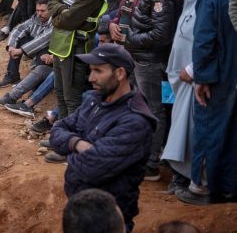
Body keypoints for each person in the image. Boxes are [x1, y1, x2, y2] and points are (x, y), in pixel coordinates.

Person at [50, 44, 157, 232]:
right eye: (91, 71)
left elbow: (92, 168)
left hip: (109, 219)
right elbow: (57, 130)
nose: (91, 78)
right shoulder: (94, 99)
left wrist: (70, 152)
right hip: (80, 209)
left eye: (98, 71)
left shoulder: (135, 121)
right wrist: (78, 144)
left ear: (120, 73)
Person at [178, 0, 237, 204]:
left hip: (220, 74)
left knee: (210, 128)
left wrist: (202, 77)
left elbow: (204, 40)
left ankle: (202, 186)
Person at [121, 0, 182, 181]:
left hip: (151, 59)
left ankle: (151, 164)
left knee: (152, 110)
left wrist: (131, 40)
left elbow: (160, 34)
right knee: (142, 108)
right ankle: (143, 157)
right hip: (143, 57)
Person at [47, 0, 108, 134]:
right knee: (60, 93)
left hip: (76, 49)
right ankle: (60, 133)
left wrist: (60, 16)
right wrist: (63, 11)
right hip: (61, 47)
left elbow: (67, 20)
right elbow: (51, 3)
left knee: (72, 97)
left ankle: (70, 137)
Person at [161, 0, 207, 195]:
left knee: (190, 131)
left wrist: (193, 69)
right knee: (179, 129)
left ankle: (196, 182)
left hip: (195, 81)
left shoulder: (206, 0)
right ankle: (181, 176)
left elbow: (213, 40)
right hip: (179, 80)